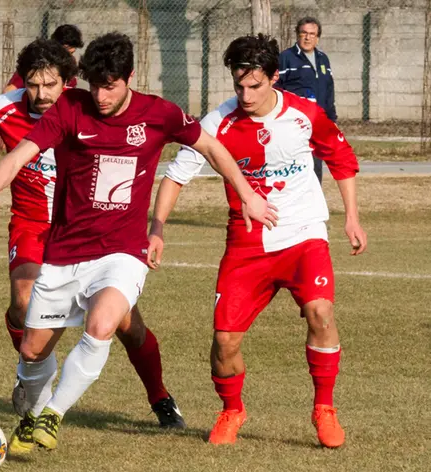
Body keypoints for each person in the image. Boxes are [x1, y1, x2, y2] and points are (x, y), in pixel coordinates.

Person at [0, 32, 277, 453]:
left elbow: (211, 147)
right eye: (93, 84)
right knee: (33, 352)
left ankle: (54, 416)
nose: (100, 95)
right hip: (65, 251)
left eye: (109, 85)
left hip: (121, 250)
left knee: (104, 325)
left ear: (129, 78)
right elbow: (21, 152)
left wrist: (247, 193)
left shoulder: (159, 113)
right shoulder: (70, 108)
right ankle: (33, 412)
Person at [151, 33, 367, 448]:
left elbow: (342, 159)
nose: (245, 95)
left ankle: (324, 408)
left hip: (305, 235)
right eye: (238, 85)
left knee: (321, 314)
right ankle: (232, 410)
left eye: (255, 85)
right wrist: (157, 228)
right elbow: (176, 175)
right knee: (224, 341)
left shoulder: (305, 114)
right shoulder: (218, 123)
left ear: (274, 78)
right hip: (247, 245)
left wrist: (352, 218)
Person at [0, 38, 185, 430]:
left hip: (87, 228)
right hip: (34, 222)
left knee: (125, 324)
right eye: (33, 85)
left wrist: (153, 226)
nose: (41, 94)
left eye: (51, 85)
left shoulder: (81, 109)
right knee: (23, 298)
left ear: (68, 82)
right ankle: (34, 387)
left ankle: (160, 396)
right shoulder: (1, 109)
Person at [276, 17, 336, 183]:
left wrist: (332, 120)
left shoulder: (323, 59)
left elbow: (329, 91)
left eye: (312, 34)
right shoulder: (285, 58)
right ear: (297, 34)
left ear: (317, 38)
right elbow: (275, 90)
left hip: (317, 123)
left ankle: (313, 202)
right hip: (293, 124)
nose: (307, 37)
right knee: (294, 167)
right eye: (304, 33)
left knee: (316, 166)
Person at [2, 24, 83, 93]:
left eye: (71, 53)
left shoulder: (70, 67)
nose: (69, 57)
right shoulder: (37, 63)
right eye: (65, 51)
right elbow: (8, 91)